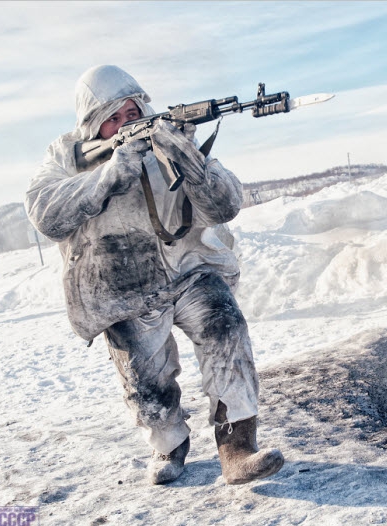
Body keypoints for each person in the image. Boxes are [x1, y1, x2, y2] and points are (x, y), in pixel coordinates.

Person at [26, 64, 283, 485]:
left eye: (132, 112)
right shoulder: (65, 156)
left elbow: (226, 206)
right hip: (122, 286)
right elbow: (44, 214)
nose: (128, 122)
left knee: (226, 329)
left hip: (190, 269)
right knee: (146, 377)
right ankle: (169, 447)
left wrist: (191, 161)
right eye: (114, 117)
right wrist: (112, 172)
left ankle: (238, 448)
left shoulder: (171, 137)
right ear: (93, 124)